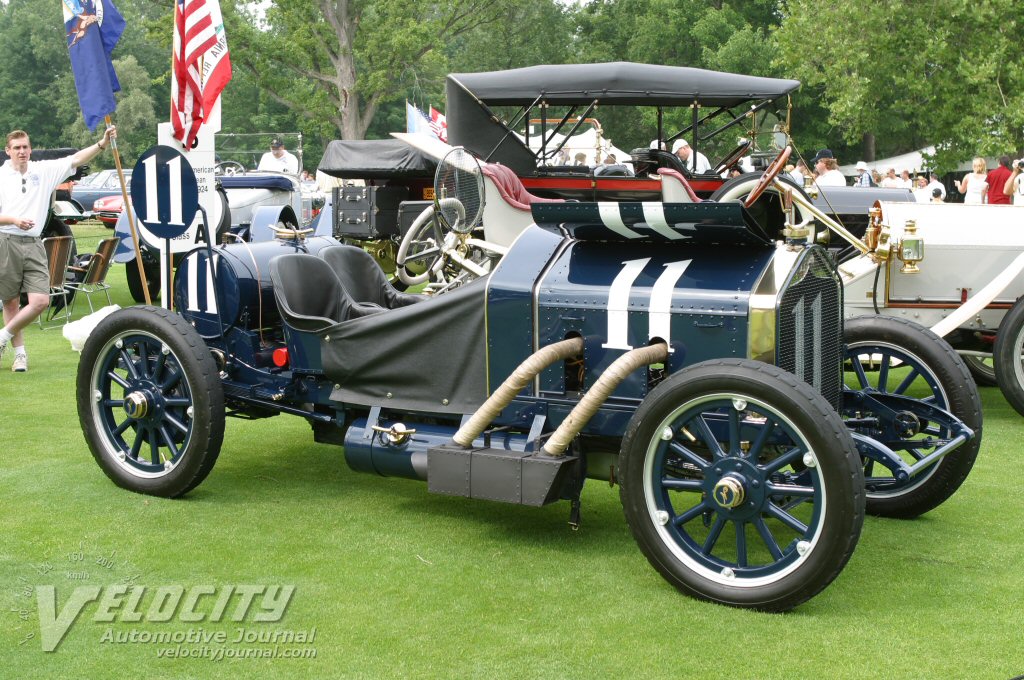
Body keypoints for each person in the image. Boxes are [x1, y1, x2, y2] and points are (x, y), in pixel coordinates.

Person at [0, 125, 116, 371]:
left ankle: (3, 337)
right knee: (10, 303)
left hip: (33, 243)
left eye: (25, 147)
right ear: (8, 151)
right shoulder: (1, 176)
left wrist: (102, 143)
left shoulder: (44, 171)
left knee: (40, 300)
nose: (22, 152)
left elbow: (75, 159)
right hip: (6, 240)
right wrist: (14, 220)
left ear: (30, 149)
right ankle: (20, 355)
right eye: (16, 148)